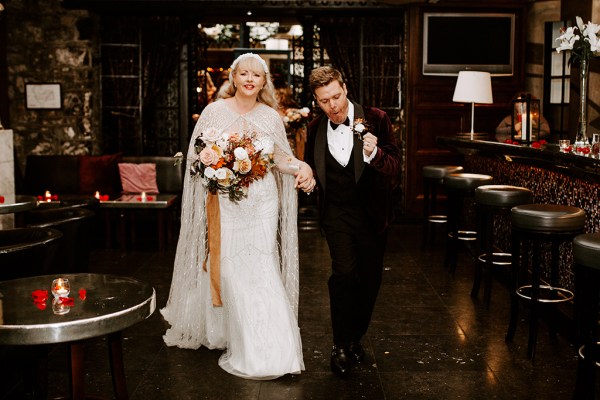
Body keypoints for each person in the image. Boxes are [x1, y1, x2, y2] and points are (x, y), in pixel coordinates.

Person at [161, 52, 315, 380]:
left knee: (262, 268)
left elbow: (280, 160)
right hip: (228, 204)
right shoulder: (214, 112)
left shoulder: (270, 117)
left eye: (256, 75)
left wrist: (301, 165)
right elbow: (197, 159)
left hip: (261, 203)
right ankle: (234, 335)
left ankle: (273, 350)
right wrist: (213, 168)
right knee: (230, 269)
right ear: (233, 77)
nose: (249, 79)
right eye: (243, 73)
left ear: (263, 82)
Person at [305, 66, 401, 377]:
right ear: (316, 101)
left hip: (372, 214)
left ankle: (355, 337)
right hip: (336, 214)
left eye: (336, 96)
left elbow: (395, 167)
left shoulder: (377, 118)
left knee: (370, 280)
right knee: (344, 273)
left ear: (345, 88)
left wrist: (375, 155)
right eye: (324, 101)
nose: (333, 106)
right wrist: (309, 180)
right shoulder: (315, 128)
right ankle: (340, 345)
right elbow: (311, 168)